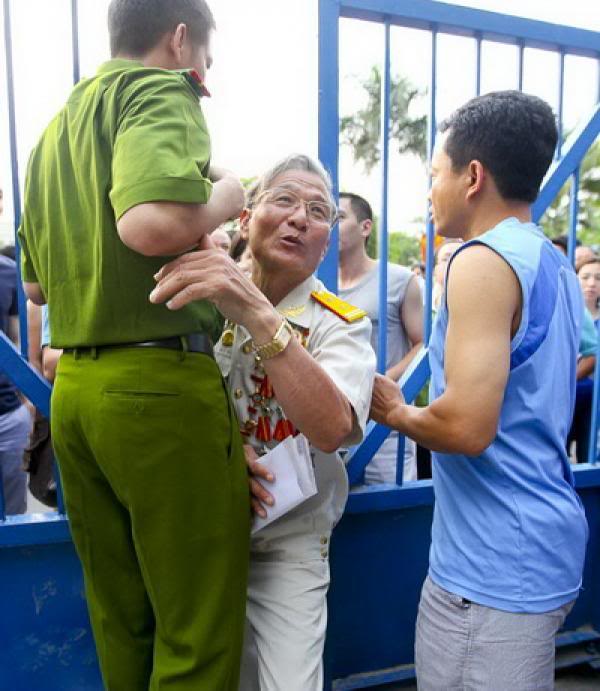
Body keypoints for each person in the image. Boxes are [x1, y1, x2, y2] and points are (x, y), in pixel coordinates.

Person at [17, 1, 250, 689]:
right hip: (158, 390)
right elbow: (148, 225)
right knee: (197, 628)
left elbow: (35, 287)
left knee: (122, 618)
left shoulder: (54, 133)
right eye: (205, 60)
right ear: (180, 39)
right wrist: (228, 195)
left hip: (78, 396)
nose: (203, 75)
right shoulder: (158, 88)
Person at [371, 91, 589, 690]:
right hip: (541, 546)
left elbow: (466, 427)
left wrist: (395, 411)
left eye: (435, 173)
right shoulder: (551, 263)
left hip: (491, 571)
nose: (430, 189)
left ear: (473, 177)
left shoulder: (480, 261)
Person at [150, 154, 376, 691]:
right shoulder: (197, 294)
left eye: (319, 211)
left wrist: (257, 314)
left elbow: (330, 428)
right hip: (198, 523)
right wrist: (223, 455)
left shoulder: (340, 327)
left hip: (287, 540)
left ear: (327, 243)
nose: (300, 217)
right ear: (246, 218)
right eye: (284, 200)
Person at [338, 192, 422, 482]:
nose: (329, 224)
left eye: (339, 217)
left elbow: (424, 344)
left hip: (383, 428)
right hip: (332, 423)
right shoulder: (315, 283)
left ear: (365, 227)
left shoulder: (399, 280)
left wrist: (383, 380)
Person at [0, 254, 31, 515]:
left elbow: (16, 340)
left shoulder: (9, 272)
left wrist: (26, 396)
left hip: (7, 414)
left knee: (13, 516)